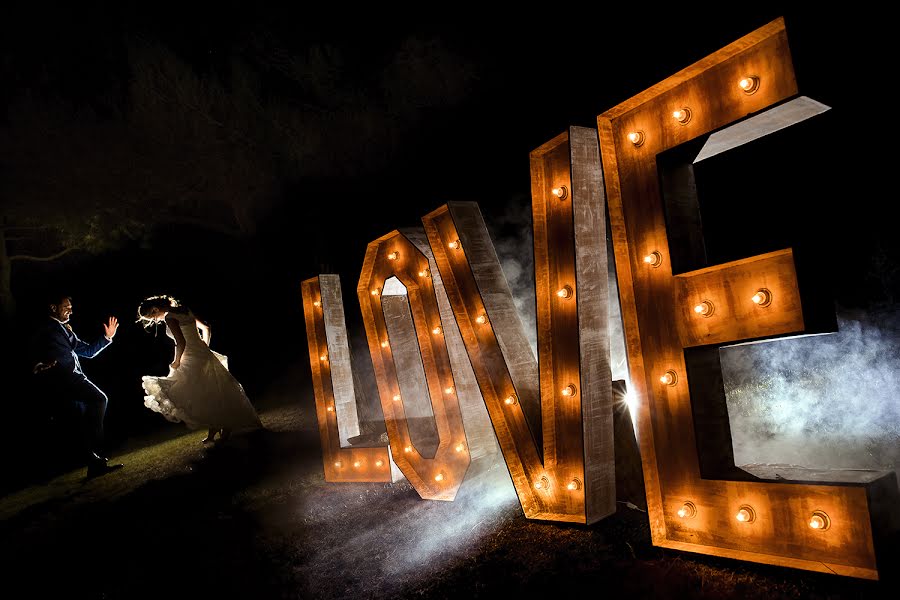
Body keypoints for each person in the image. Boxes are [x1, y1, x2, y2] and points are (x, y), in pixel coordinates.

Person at [136, 295, 261, 443]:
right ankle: (215, 429)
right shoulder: (184, 310)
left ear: (156, 309)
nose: (155, 321)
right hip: (203, 354)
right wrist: (204, 348)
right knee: (210, 391)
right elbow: (206, 328)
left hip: (190, 358)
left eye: (152, 317)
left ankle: (223, 427)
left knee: (191, 391)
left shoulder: (170, 317)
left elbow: (180, 342)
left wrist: (176, 362)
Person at [31, 294, 123, 478]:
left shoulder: (64, 330)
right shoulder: (45, 328)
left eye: (71, 306)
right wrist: (37, 365)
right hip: (65, 379)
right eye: (66, 306)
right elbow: (30, 348)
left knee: (80, 421)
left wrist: (107, 337)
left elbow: (87, 351)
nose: (71, 310)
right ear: (53, 307)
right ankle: (95, 450)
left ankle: (94, 463)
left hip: (73, 378)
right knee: (99, 399)